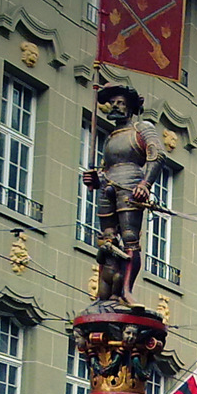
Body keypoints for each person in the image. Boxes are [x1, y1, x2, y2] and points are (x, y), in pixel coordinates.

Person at [81, 84, 164, 306]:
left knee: (129, 239)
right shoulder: (111, 136)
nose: (115, 106)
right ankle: (105, 292)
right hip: (108, 186)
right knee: (106, 240)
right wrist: (95, 179)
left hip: (130, 184)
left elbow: (156, 155)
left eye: (120, 103)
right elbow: (105, 167)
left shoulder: (141, 128)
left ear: (129, 107)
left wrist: (145, 184)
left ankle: (126, 290)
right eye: (113, 103)